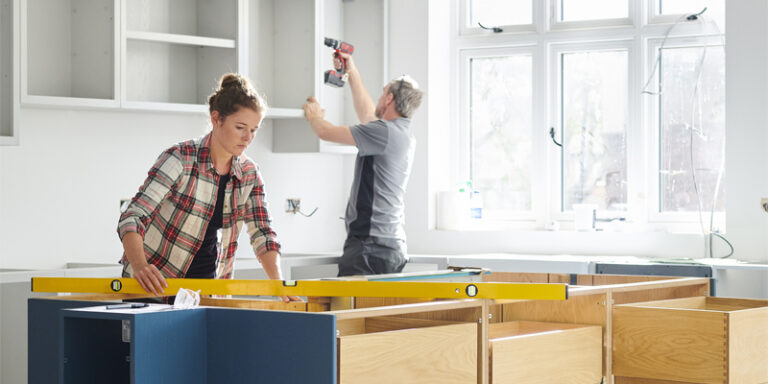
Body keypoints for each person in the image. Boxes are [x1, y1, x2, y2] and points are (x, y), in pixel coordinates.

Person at [118, 73, 300, 302]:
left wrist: (279, 286)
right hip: (152, 288)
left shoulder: (249, 174)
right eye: (241, 127)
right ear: (216, 119)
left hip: (206, 294)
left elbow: (263, 234)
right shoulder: (180, 159)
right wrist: (140, 266)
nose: (248, 137)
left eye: (254, 130)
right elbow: (133, 217)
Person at [302, 52, 424, 276]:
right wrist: (352, 71)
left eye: (383, 93)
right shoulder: (399, 132)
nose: (379, 98)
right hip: (388, 245)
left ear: (389, 100)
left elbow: (325, 132)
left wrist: (314, 115)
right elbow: (368, 114)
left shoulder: (384, 132)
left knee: (350, 310)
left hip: (370, 247)